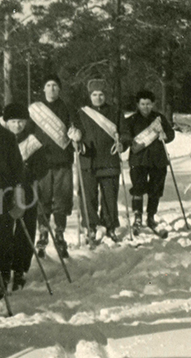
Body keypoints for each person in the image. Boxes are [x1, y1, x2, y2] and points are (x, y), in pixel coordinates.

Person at [0, 100, 39, 296]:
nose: (17, 125)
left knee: (26, 229)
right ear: (6, 122)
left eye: (21, 122)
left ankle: (20, 269)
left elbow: (42, 166)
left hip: (27, 190)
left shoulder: (33, 140)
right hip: (4, 190)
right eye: (13, 121)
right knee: (1, 230)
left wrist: (30, 171)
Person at [71, 78, 124, 248]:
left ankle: (110, 227)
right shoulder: (81, 114)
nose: (98, 98)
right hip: (88, 161)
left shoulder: (115, 111)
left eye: (101, 94)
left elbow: (124, 133)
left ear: (105, 95)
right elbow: (76, 134)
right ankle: (90, 227)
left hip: (109, 160)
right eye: (94, 94)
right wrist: (77, 142)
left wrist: (121, 142)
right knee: (88, 197)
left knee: (109, 196)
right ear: (90, 95)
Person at [27, 76, 76, 259]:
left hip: (62, 161)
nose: (52, 88)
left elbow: (75, 128)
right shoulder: (35, 110)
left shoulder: (68, 108)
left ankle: (60, 233)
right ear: (44, 89)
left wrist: (76, 134)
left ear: (60, 89)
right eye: (48, 85)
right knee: (43, 198)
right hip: (42, 163)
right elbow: (28, 132)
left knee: (61, 199)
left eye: (55, 85)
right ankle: (43, 233)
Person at [123, 89, 176, 236]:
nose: (145, 107)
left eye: (148, 104)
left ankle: (151, 217)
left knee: (155, 190)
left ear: (153, 104)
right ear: (137, 104)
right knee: (138, 188)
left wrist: (165, 136)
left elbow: (171, 134)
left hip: (158, 160)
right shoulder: (132, 120)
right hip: (139, 161)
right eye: (142, 104)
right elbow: (126, 136)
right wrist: (125, 141)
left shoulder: (160, 118)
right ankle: (137, 218)